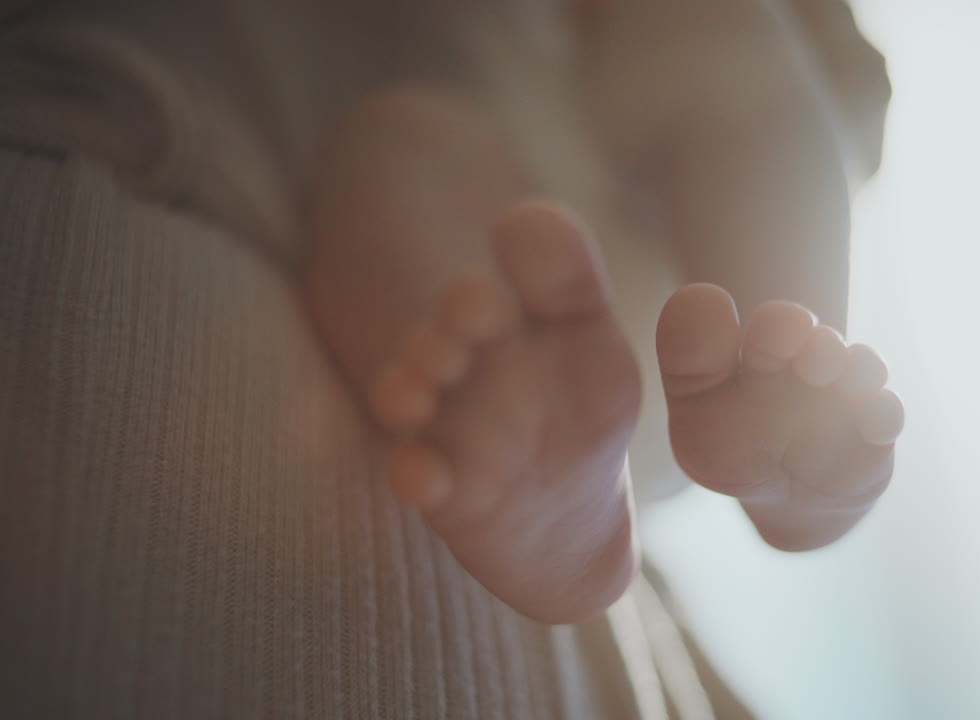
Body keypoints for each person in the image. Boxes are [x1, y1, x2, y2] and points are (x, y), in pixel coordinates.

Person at [0, 0, 894, 716]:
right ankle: (565, 486)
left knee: (730, 55)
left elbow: (816, 95)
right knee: (403, 155)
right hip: (540, 315)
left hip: (649, 284)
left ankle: (784, 395)